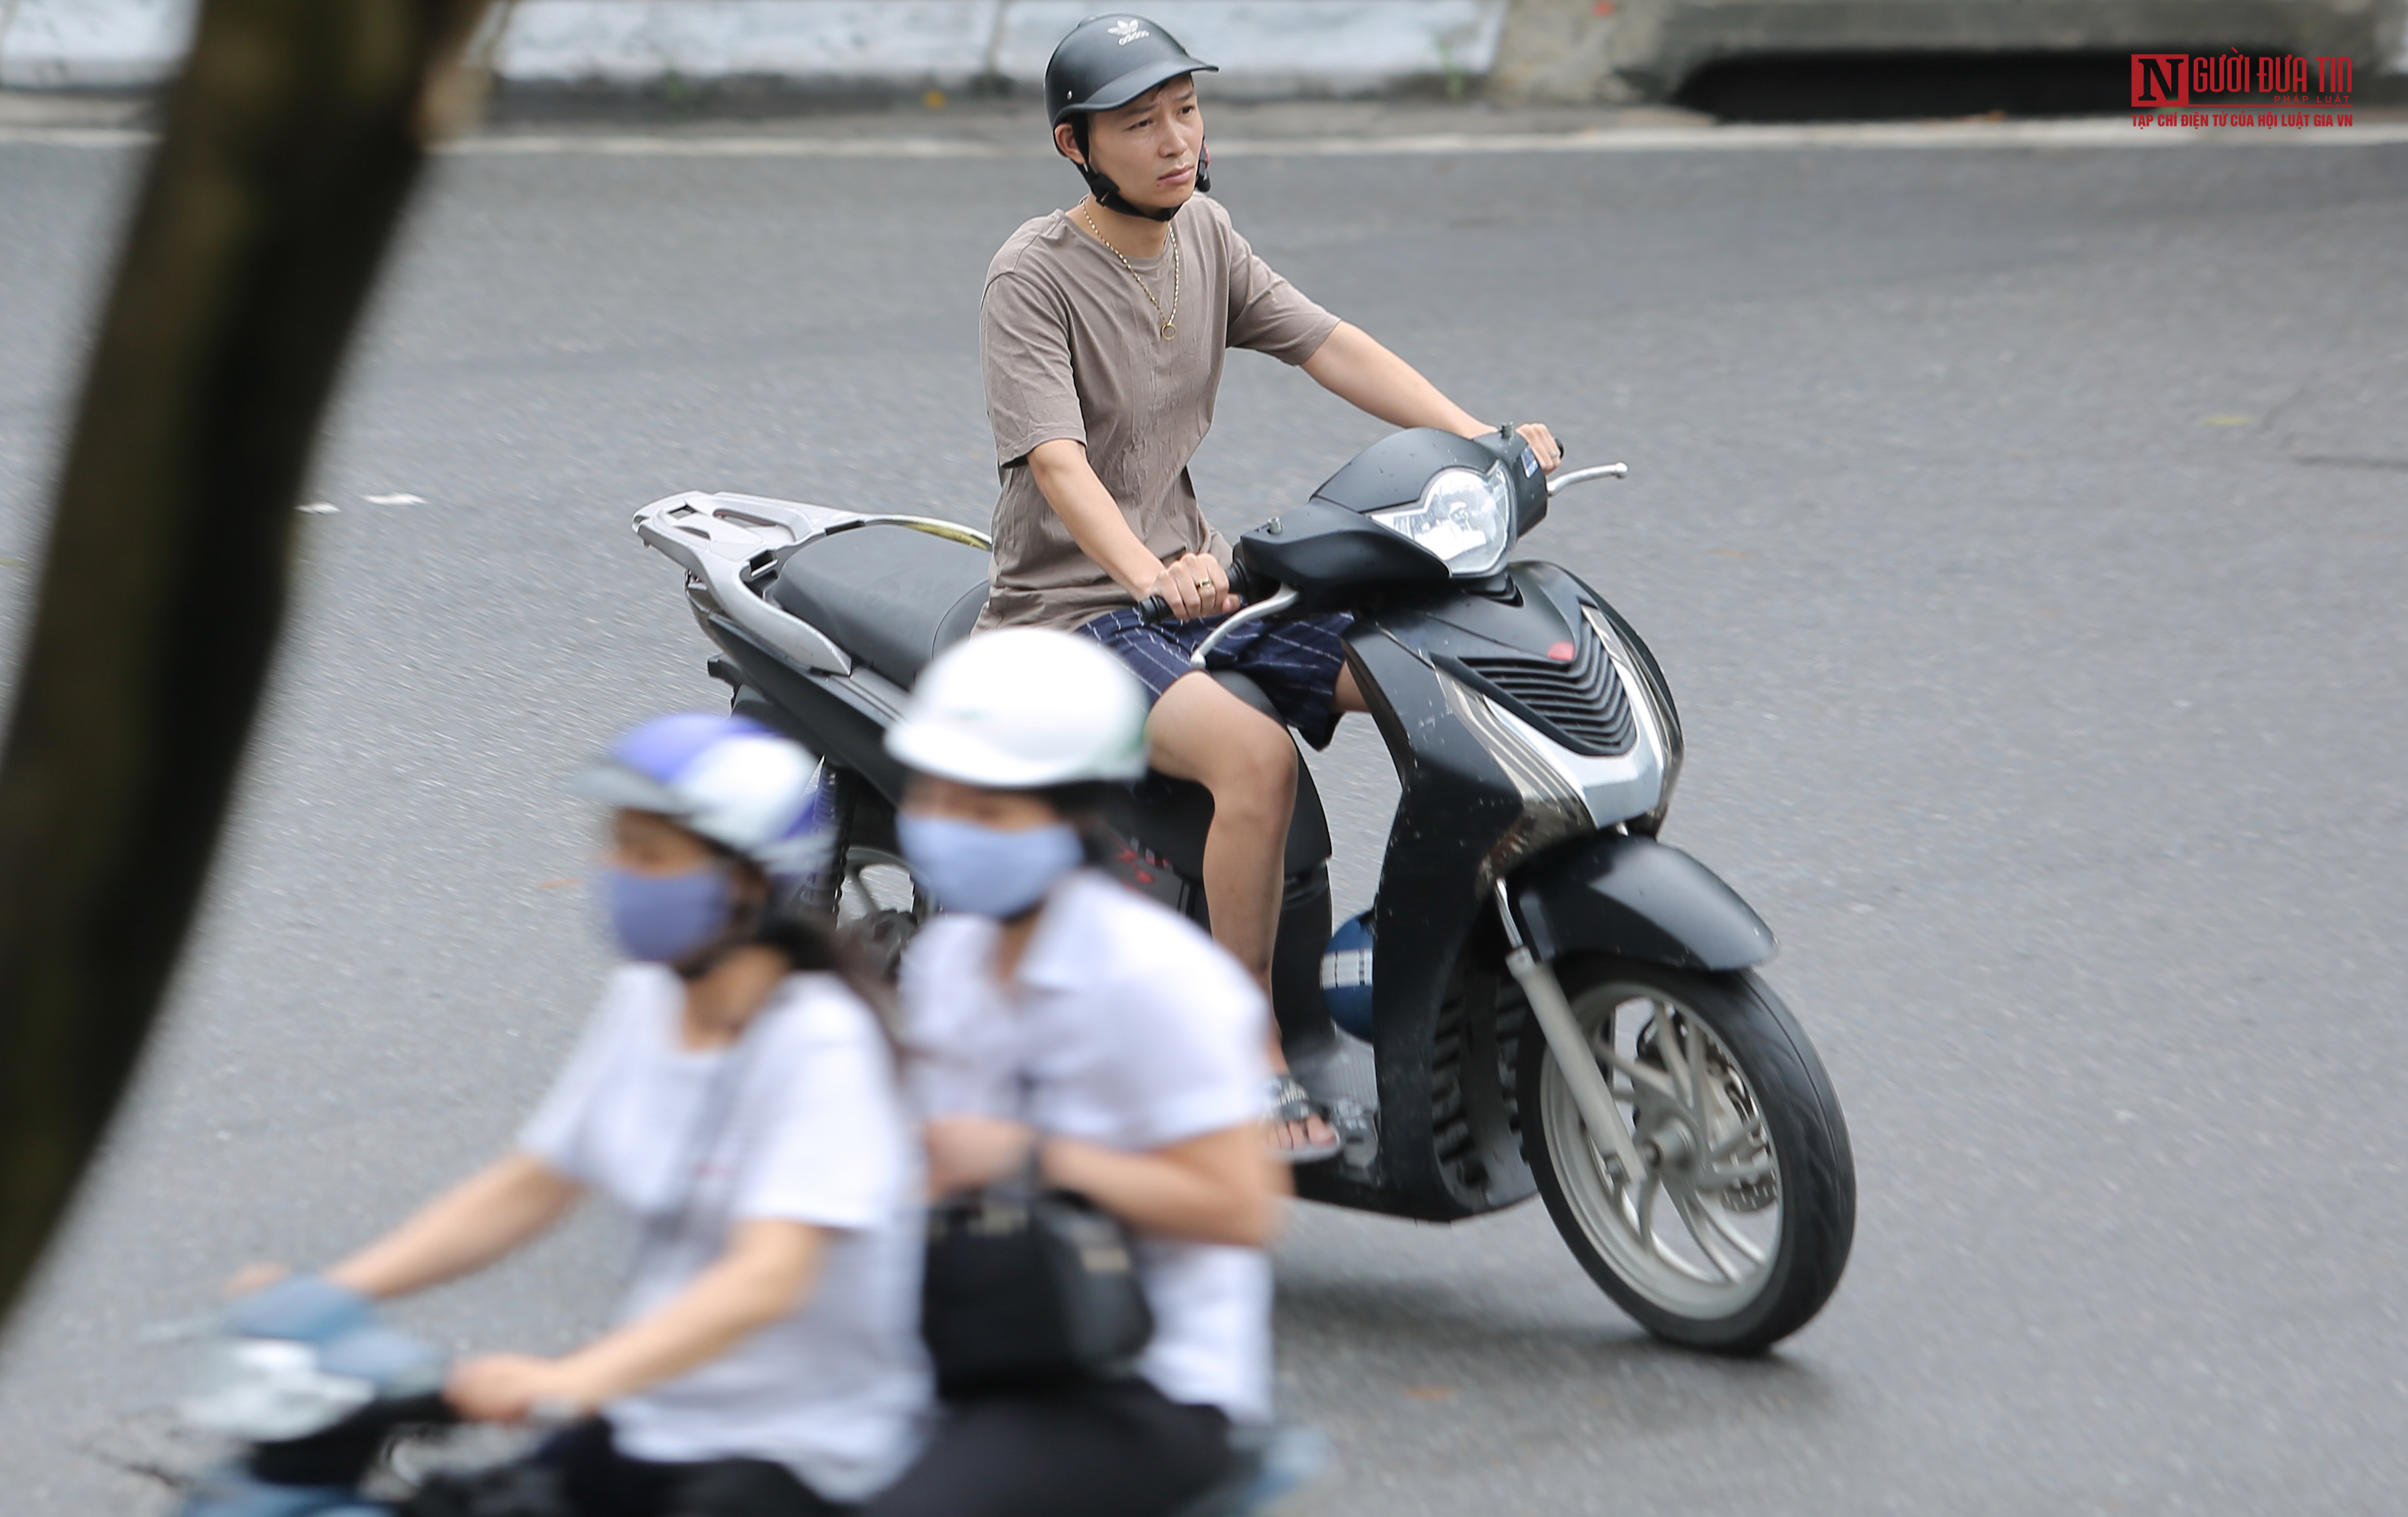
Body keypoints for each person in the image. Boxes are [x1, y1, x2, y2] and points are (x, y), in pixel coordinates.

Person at [976, 13, 1562, 1160]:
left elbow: (1327, 344)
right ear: (1073, 147)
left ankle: (1450, 950)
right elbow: (1059, 464)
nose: (1172, 139)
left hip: (1197, 585)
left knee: (1420, 671)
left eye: (1185, 110)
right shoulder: (1031, 278)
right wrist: (1147, 576)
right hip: (1074, 615)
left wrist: (1481, 439)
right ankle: (1245, 1053)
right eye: (1138, 123)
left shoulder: (1204, 234)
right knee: (1253, 755)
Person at [230, 715, 929, 1517]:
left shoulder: (820, 1042)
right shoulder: (652, 993)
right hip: (651, 1414)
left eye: (649, 855)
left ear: (743, 879)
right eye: (616, 846)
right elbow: (535, 1182)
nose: (616, 874)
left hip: (792, 1459)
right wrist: (333, 1292)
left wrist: (572, 1379)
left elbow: (768, 1275)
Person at [860, 629, 1284, 1517]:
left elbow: (1241, 1206)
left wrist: (1029, 1155)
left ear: (1067, 814)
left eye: (986, 806)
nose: (946, 822)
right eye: (936, 795)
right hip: (988, 1335)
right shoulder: (951, 963)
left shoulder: (1155, 978)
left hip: (1146, 1379)